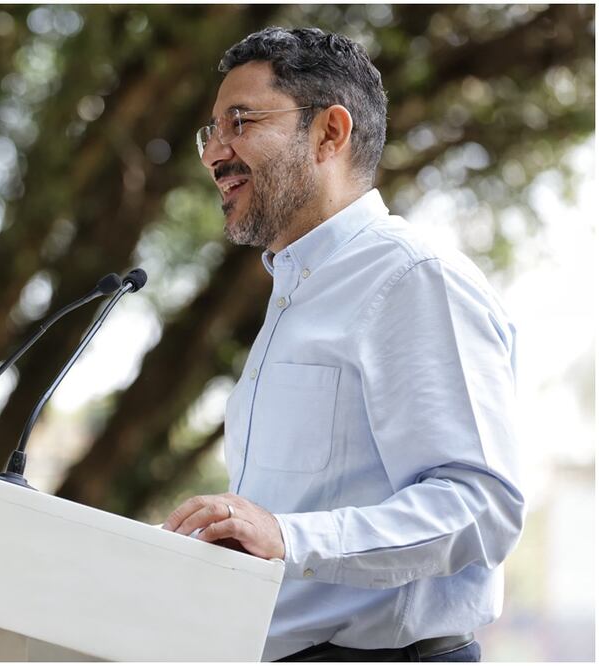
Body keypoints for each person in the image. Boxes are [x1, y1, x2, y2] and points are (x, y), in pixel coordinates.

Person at [161, 27, 525, 662]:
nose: (213, 153)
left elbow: (480, 506)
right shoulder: (293, 292)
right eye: (210, 131)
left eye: (239, 121)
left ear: (329, 132)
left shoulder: (413, 277)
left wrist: (288, 537)